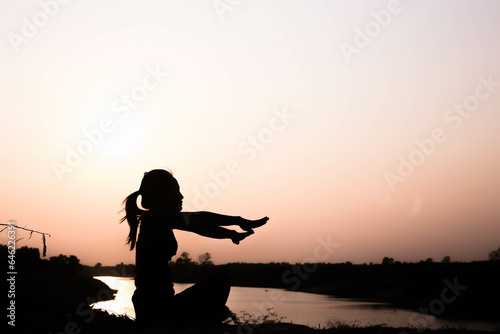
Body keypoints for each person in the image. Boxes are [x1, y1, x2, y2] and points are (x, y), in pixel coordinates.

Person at [120, 169, 268, 327]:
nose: (181, 197)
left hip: (156, 309)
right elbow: (199, 220)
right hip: (158, 312)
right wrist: (237, 221)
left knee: (217, 301)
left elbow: (200, 226)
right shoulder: (156, 218)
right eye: (177, 191)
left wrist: (231, 234)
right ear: (161, 195)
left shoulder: (156, 220)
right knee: (219, 283)